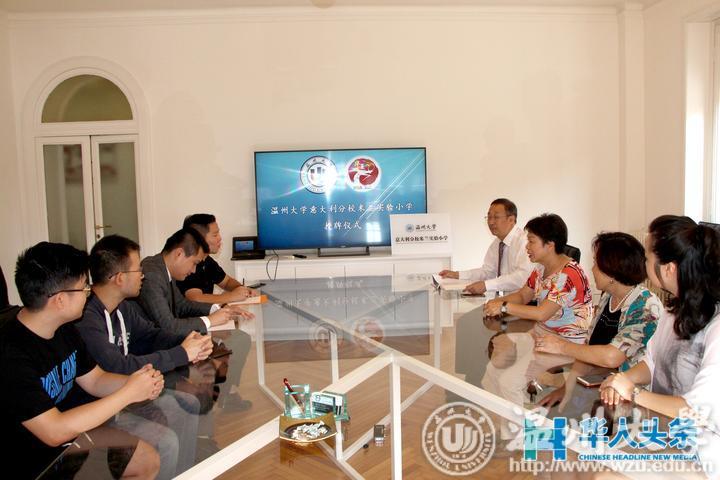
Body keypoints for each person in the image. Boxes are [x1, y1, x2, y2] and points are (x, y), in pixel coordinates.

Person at [0, 242, 163, 479]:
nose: (89, 293)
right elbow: (54, 431)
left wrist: (139, 382)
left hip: (73, 437)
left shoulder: (64, 327)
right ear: (59, 300)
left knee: (147, 460)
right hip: (35, 460)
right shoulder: (10, 355)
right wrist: (128, 393)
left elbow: (95, 380)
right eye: (83, 288)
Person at [601, 216, 720, 477]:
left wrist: (633, 393)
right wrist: (624, 379)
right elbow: (652, 361)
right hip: (662, 432)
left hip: (703, 453)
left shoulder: (716, 327)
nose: (644, 264)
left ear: (668, 269)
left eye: (647, 257)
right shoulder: (673, 310)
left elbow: (697, 411)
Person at [480, 213, 593, 447]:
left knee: (509, 382)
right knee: (491, 373)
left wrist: (504, 306)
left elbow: (542, 313)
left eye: (531, 241)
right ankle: (513, 425)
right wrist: (498, 302)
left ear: (549, 245)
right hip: (541, 335)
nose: (527, 247)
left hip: (564, 343)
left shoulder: (569, 275)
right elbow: (524, 295)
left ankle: (522, 437)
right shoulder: (541, 269)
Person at [534, 232, 661, 412]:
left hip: (634, 399)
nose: (592, 269)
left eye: (595, 263)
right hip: (603, 387)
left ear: (611, 271)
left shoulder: (645, 306)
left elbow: (612, 356)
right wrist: (566, 390)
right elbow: (589, 351)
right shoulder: (608, 297)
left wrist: (561, 346)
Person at [137, 228, 252, 336]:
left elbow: (182, 306)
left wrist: (219, 309)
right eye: (194, 263)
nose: (193, 270)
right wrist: (209, 320)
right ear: (179, 254)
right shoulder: (153, 275)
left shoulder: (163, 269)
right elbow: (168, 326)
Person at [438, 198, 534, 295]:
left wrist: (486, 285)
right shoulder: (497, 243)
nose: (491, 222)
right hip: (509, 300)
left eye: (496, 217)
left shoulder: (525, 242)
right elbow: (487, 272)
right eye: (489, 217)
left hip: (527, 301)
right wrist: (457, 274)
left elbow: (523, 277)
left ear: (511, 220)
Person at [178, 213, 258, 304]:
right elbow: (196, 298)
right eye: (215, 235)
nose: (220, 238)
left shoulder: (207, 261)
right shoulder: (187, 263)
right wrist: (232, 296)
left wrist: (241, 289)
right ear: (199, 238)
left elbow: (227, 282)